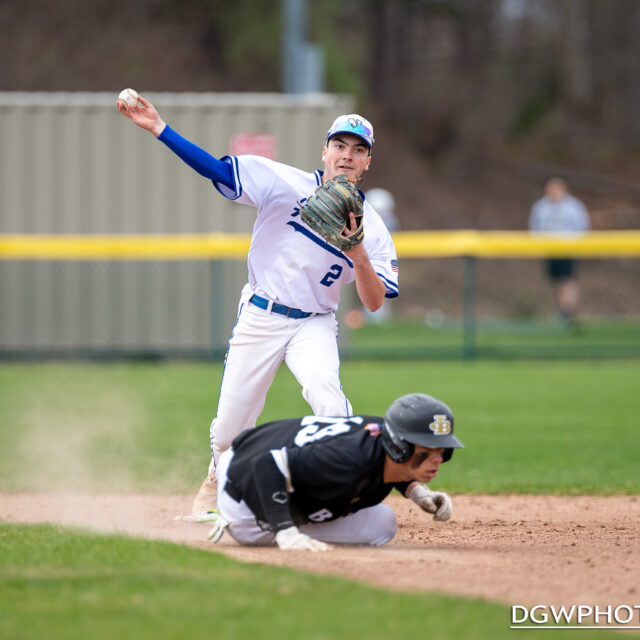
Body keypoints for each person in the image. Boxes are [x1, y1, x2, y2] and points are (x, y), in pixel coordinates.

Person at [117, 96, 399, 513]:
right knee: (230, 428)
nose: (347, 155)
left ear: (367, 163)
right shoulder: (281, 182)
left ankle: (351, 489)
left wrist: (357, 252)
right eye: (340, 145)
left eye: (358, 149)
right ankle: (216, 477)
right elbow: (215, 169)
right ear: (324, 151)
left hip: (314, 323)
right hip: (261, 315)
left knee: (330, 403)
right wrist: (160, 128)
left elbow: (375, 303)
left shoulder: (372, 228)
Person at [196, 393, 464, 550]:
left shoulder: (384, 437)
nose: (437, 459)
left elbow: (383, 465)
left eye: (443, 451)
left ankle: (297, 521)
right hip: (244, 490)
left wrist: (417, 492)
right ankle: (272, 526)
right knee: (275, 526)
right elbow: (265, 466)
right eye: (427, 450)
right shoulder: (346, 458)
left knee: (382, 525)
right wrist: (285, 532)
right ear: (399, 447)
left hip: (275, 457)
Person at [528, 177, 590, 324]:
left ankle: (567, 310)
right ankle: (564, 309)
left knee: (567, 279)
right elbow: (535, 226)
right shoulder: (541, 206)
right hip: (550, 249)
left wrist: (576, 243)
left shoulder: (573, 206)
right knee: (556, 281)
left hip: (568, 247)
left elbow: (582, 225)